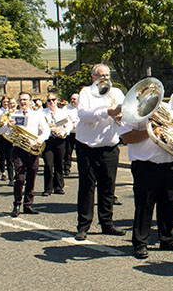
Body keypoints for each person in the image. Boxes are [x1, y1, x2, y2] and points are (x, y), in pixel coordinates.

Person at [121, 101, 173, 259]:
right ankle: (140, 243)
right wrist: (149, 131)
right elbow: (125, 137)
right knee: (144, 205)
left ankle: (167, 238)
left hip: (169, 163)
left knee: (169, 202)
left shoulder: (166, 107)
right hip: (145, 165)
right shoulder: (132, 112)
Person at [74, 63, 125, 241]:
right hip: (87, 146)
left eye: (107, 76)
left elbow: (126, 112)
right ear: (93, 77)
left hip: (109, 146)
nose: (104, 78)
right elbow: (83, 115)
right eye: (100, 75)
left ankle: (107, 223)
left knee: (108, 187)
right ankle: (83, 225)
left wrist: (121, 115)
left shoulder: (117, 93)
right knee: (87, 187)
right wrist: (107, 112)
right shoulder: (86, 92)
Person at [6, 92, 50, 217]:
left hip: (32, 148)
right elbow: (5, 133)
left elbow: (46, 130)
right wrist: (7, 126)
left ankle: (28, 204)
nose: (23, 102)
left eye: (25, 100)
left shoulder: (38, 115)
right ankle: (17, 204)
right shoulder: (13, 115)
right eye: (21, 100)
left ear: (31, 101)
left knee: (32, 176)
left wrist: (40, 140)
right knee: (19, 178)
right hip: (19, 149)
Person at [41, 93, 72, 196]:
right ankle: (48, 188)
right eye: (49, 100)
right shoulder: (42, 113)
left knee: (59, 164)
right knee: (49, 165)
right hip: (48, 140)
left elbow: (69, 124)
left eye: (53, 100)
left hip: (60, 140)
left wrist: (63, 132)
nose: (51, 102)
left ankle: (59, 186)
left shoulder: (62, 112)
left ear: (57, 100)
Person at [0, 96, 13, 184]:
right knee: (1, 155)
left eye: (7, 102)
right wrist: (1, 122)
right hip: (1, 134)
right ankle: (3, 172)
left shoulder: (12, 111)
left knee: (10, 157)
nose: (6, 104)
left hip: (10, 135)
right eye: (4, 102)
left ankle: (11, 178)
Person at [64, 93, 79, 176]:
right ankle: (66, 168)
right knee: (68, 152)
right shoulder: (66, 108)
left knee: (80, 152)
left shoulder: (82, 107)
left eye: (74, 99)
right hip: (70, 133)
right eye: (71, 99)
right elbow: (65, 119)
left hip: (80, 133)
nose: (72, 100)